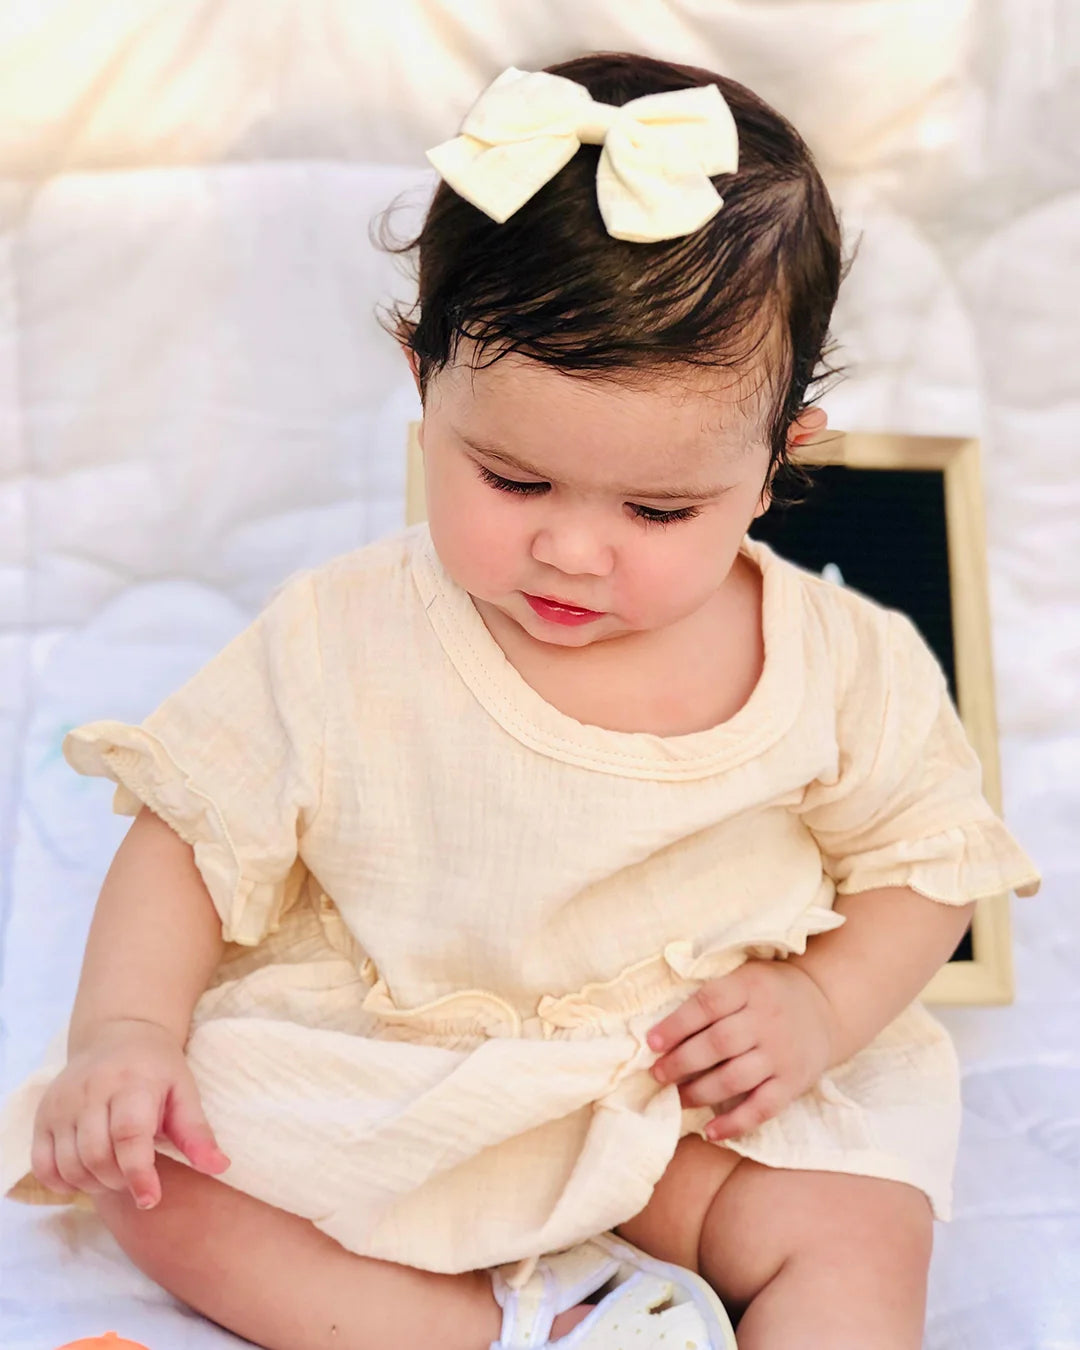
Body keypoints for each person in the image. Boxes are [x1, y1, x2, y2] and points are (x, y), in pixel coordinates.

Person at [0, 51, 1039, 1350]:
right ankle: (480, 1327)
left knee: (858, 1223)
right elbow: (190, 838)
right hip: (415, 1070)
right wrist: (126, 1030)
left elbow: (926, 864)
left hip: (689, 1097)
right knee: (158, 1175)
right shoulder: (346, 631)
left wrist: (822, 1006)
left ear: (778, 465)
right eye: (512, 479)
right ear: (421, 378)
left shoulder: (840, 658)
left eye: (659, 509)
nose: (574, 552)